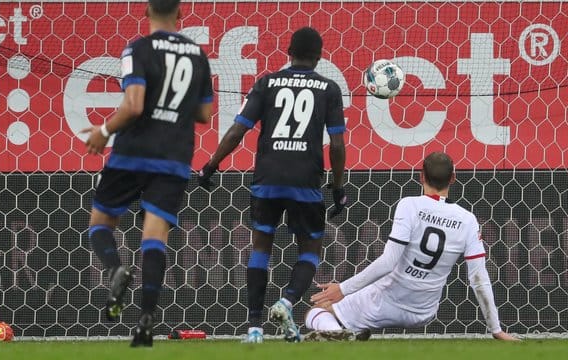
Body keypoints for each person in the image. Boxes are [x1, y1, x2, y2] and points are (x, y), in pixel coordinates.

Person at [198, 26, 347, 343]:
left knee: (261, 249)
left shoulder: (266, 83)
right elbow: (336, 145)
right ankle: (287, 301)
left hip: (267, 179)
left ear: (288, 53)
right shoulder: (329, 89)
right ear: (319, 57)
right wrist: (337, 187)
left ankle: (254, 327)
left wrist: (210, 167)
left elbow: (237, 131)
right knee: (309, 251)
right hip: (305, 181)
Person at [81, 0, 213, 348]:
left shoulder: (137, 48)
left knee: (100, 223)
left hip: (133, 151)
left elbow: (134, 104)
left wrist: (103, 131)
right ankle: (145, 324)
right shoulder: (198, 55)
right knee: (154, 237)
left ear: (146, 12)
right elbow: (205, 113)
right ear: (181, 14)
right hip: (173, 155)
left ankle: (113, 269)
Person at [305, 152, 519, 341]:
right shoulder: (468, 220)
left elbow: (388, 262)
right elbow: (479, 278)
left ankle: (340, 335)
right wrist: (496, 329)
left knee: (317, 312)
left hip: (386, 300)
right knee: (357, 313)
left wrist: (342, 289)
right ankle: (349, 333)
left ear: (421, 176)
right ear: (453, 178)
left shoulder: (410, 205)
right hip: (423, 312)